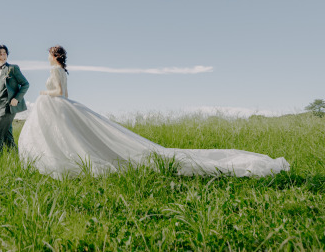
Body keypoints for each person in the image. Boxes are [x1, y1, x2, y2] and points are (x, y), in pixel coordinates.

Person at [18, 46, 290, 179]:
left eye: (49, 55)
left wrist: (43, 94)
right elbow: (67, 95)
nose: (49, 58)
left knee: (68, 138)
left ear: (54, 57)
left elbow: (59, 95)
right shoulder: (63, 71)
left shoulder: (54, 71)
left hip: (57, 105)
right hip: (67, 107)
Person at [0, 44, 30, 153]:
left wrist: (16, 98)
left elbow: (25, 84)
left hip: (8, 107)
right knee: (8, 139)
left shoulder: (12, 68)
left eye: (4, 53)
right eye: (0, 54)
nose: (3, 56)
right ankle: (17, 161)